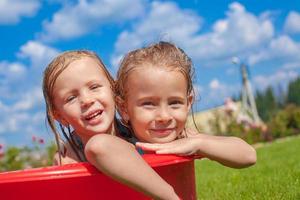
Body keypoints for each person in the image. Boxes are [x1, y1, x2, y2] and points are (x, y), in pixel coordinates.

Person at [42, 50, 179, 200]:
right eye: (71, 98)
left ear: (112, 89)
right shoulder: (70, 159)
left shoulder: (140, 130)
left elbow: (191, 137)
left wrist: (199, 143)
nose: (87, 100)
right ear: (60, 116)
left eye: (94, 87)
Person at [115, 41, 256, 169]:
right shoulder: (123, 146)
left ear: (188, 103)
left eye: (174, 102)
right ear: (124, 108)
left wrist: (199, 144)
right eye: (149, 104)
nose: (164, 116)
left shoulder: (185, 139)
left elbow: (249, 155)